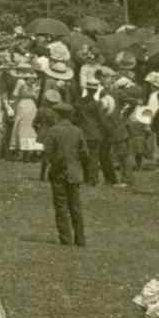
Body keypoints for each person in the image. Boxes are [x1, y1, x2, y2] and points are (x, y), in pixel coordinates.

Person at [42, 101, 88, 247]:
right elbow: (85, 153)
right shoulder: (78, 131)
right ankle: (80, 239)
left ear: (57, 115)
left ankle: (66, 239)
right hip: (74, 172)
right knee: (75, 206)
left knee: (61, 206)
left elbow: (47, 153)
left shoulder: (53, 131)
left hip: (58, 172)